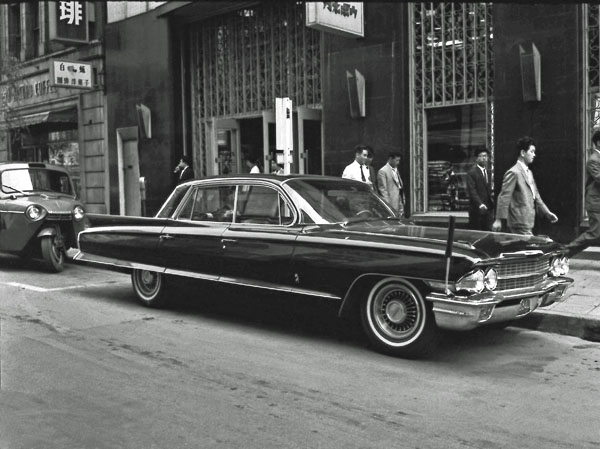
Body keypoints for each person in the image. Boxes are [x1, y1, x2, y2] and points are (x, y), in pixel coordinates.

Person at [492, 136, 558, 235]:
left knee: (522, 248)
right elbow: (504, 196)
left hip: (528, 221)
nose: (534, 155)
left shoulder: (529, 172)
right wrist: (498, 220)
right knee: (529, 247)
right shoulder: (514, 172)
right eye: (532, 151)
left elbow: (536, 196)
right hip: (518, 222)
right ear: (523, 153)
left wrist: (546, 212)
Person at [566, 130, 600, 257]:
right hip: (596, 203)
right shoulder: (593, 160)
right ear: (598, 143)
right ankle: (565, 252)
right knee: (595, 233)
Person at [466, 148, 494, 231]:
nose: (484, 158)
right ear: (477, 158)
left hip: (488, 209)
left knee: (488, 232)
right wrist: (480, 203)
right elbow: (472, 191)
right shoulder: (472, 172)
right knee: (477, 232)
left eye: (485, 156)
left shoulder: (488, 172)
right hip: (477, 209)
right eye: (481, 156)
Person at [377, 152, 405, 217]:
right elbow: (383, 190)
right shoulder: (383, 171)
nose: (398, 163)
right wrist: (387, 205)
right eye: (396, 160)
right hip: (391, 200)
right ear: (390, 159)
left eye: (399, 160)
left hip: (399, 198)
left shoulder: (395, 169)